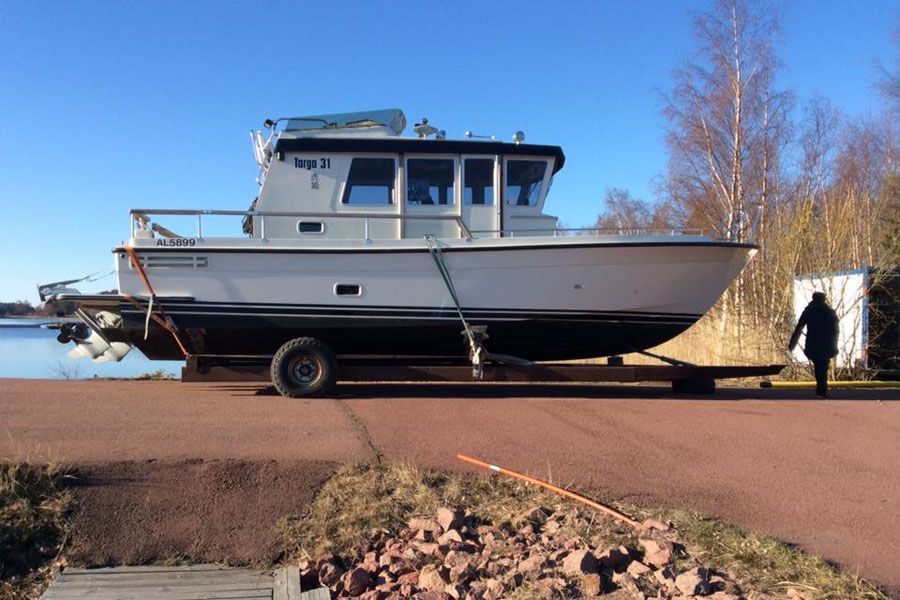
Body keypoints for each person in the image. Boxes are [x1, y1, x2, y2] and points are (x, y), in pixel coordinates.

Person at [789, 292, 839, 398]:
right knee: (823, 367)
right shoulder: (829, 312)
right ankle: (822, 391)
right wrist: (834, 345)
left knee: (817, 365)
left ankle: (820, 390)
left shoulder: (808, 311)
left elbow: (799, 328)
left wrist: (792, 345)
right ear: (824, 299)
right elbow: (836, 330)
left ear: (813, 298)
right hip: (827, 344)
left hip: (813, 343)